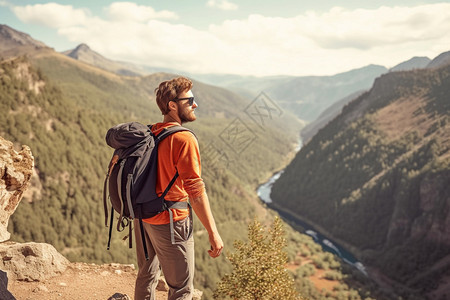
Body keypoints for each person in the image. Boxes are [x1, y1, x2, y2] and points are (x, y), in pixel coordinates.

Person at [134, 76, 224, 300]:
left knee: (146, 276)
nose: (195, 104)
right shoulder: (183, 139)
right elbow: (195, 190)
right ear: (172, 105)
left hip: (143, 216)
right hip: (171, 221)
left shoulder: (151, 131)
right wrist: (213, 233)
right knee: (181, 289)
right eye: (190, 100)